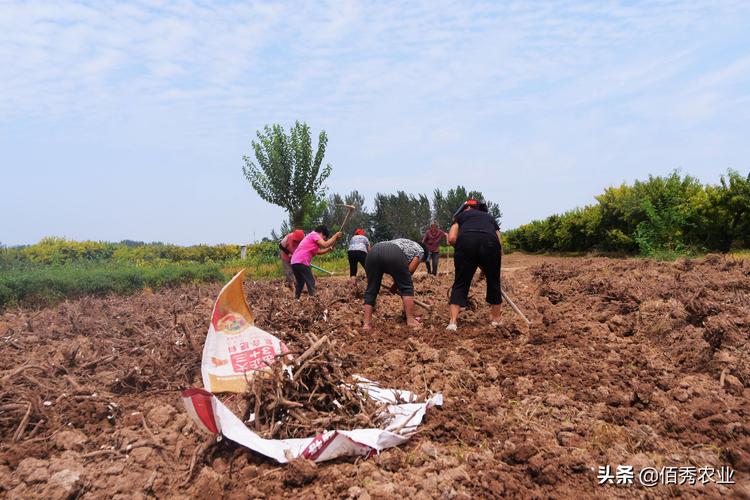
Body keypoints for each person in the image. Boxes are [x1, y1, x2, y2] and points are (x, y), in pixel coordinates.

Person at [446, 199, 502, 331]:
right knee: (494, 282)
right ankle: (495, 320)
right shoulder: (489, 217)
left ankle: (453, 322)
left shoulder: (460, 217)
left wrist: (461, 249)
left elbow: (452, 238)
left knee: (461, 282)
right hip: (490, 244)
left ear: (466, 208)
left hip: (466, 243)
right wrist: (487, 264)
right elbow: (499, 241)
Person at [363, 238, 427, 331]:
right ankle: (411, 320)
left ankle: (366, 324)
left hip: (373, 252)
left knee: (371, 289)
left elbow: (399, 271)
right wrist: (398, 285)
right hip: (393, 253)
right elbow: (409, 271)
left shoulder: (404, 242)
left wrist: (395, 285)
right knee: (407, 287)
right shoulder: (420, 250)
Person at [290, 225, 342, 299]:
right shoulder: (314, 234)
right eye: (324, 237)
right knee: (310, 281)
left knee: (300, 283)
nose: (323, 239)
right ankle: (314, 299)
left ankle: (296, 299)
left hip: (294, 262)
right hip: (302, 261)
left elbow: (318, 252)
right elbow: (325, 244)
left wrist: (328, 250)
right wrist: (336, 236)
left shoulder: (312, 240)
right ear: (321, 233)